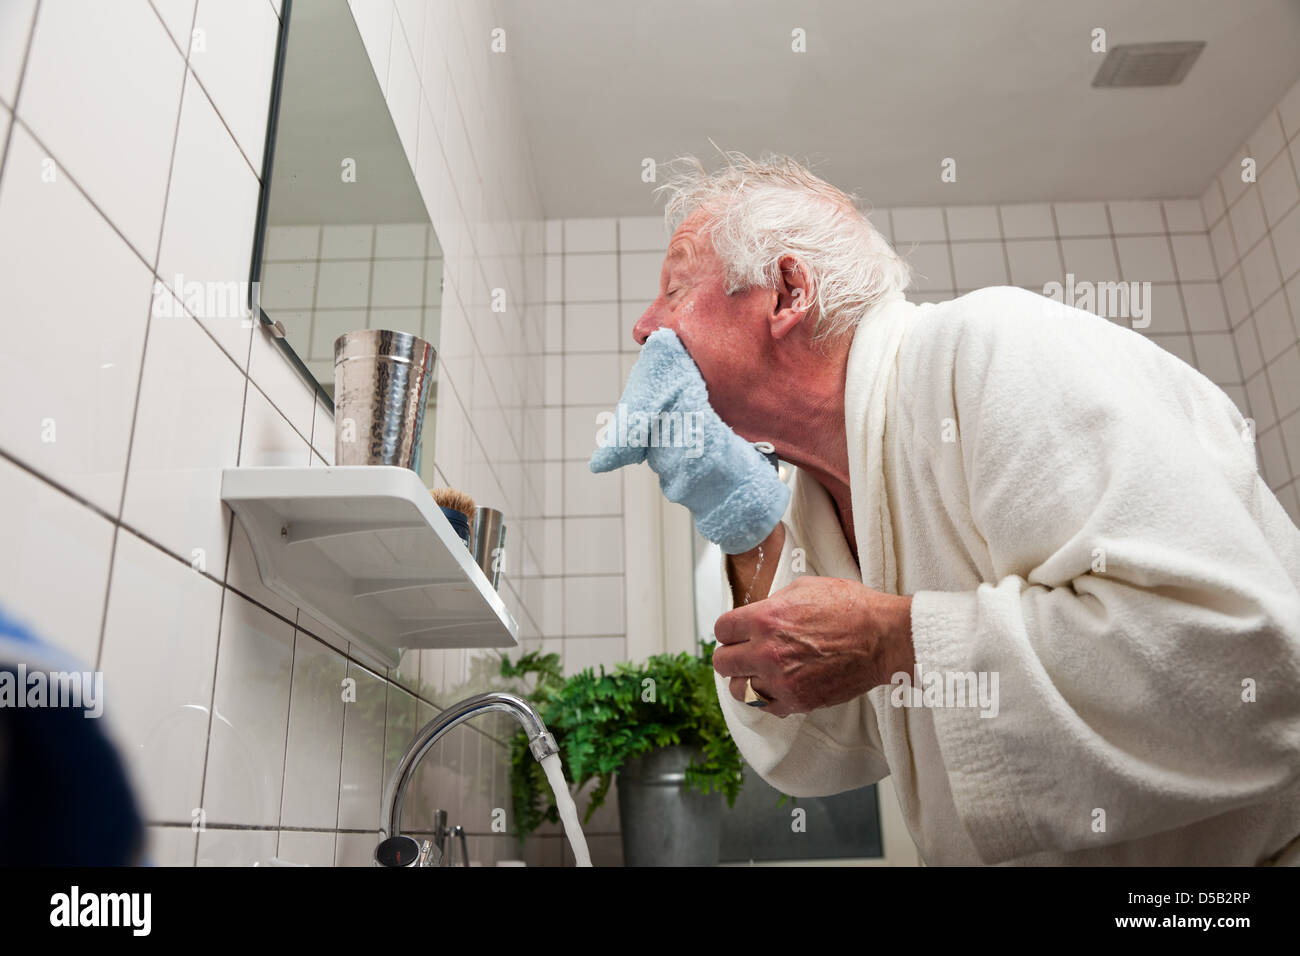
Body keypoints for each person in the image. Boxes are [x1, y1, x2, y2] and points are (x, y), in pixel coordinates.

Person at [624, 151, 1300, 865]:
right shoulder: (818, 497)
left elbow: (1245, 664)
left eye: (674, 290)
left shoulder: (993, 347)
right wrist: (742, 526)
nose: (642, 328)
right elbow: (818, 755)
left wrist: (898, 639)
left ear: (789, 292)